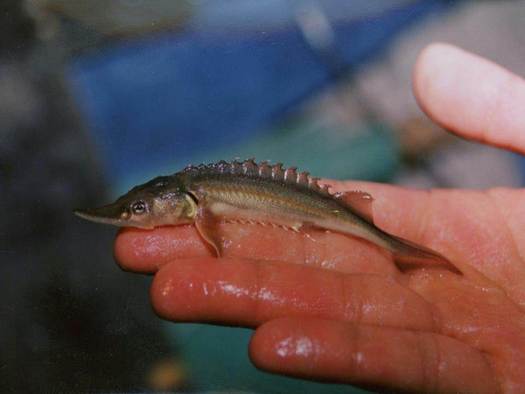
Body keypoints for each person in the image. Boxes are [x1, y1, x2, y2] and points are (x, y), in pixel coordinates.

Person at [114, 43, 525, 393]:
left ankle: (409, 171)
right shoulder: (190, 192)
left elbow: (214, 230)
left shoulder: (198, 197)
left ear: (180, 200)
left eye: (141, 210)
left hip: (326, 208)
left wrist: (216, 241)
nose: (138, 217)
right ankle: (409, 147)